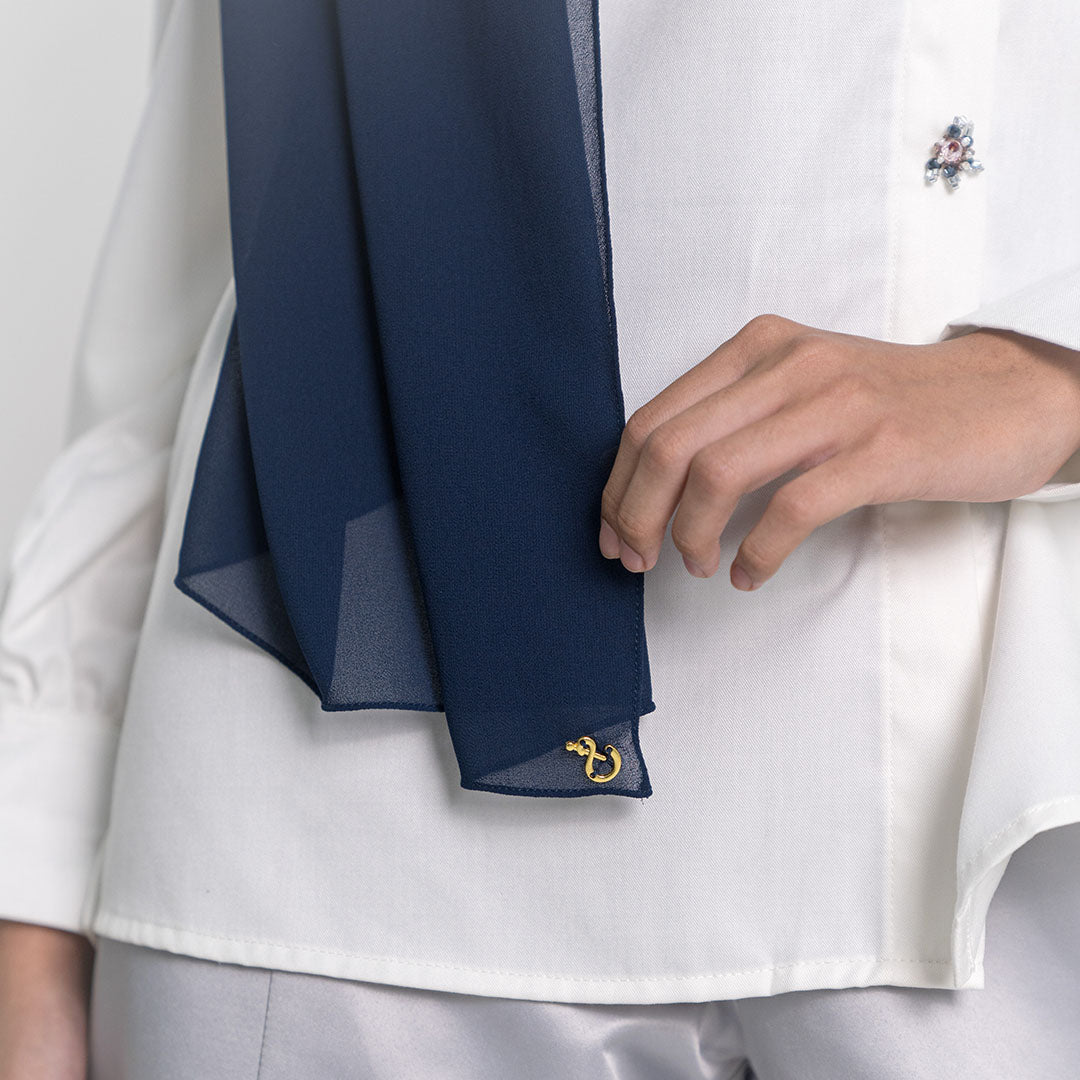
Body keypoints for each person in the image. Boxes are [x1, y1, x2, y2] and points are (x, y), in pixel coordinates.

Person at [2, 0, 1079, 1076]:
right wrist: (33, 883)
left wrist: (1051, 376)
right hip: (330, 835)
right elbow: (202, 243)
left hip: (986, 785)